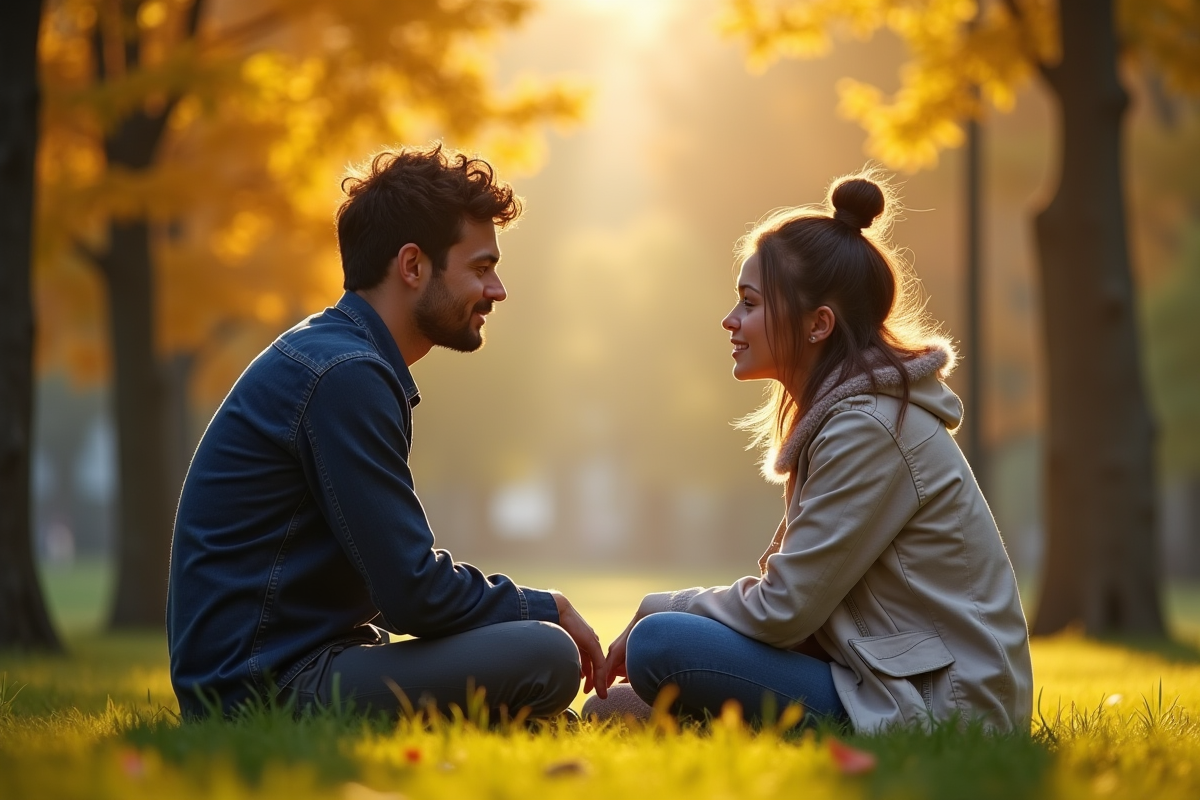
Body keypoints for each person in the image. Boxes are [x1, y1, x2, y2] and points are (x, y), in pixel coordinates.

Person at [167, 144, 607, 720]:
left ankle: (525, 727)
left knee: (526, 658)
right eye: (480, 267)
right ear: (412, 266)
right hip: (262, 687)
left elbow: (396, 585)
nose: (497, 291)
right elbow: (412, 593)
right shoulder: (346, 376)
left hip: (280, 666)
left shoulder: (338, 356)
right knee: (545, 653)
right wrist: (542, 607)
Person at [587, 171, 1032, 732]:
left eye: (749, 303)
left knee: (661, 642)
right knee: (611, 710)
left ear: (819, 324)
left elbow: (783, 610)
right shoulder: (849, 419)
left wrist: (663, 606)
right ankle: (725, 729)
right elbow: (799, 612)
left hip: (943, 707)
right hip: (879, 679)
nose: (730, 320)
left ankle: (726, 722)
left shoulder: (870, 428)